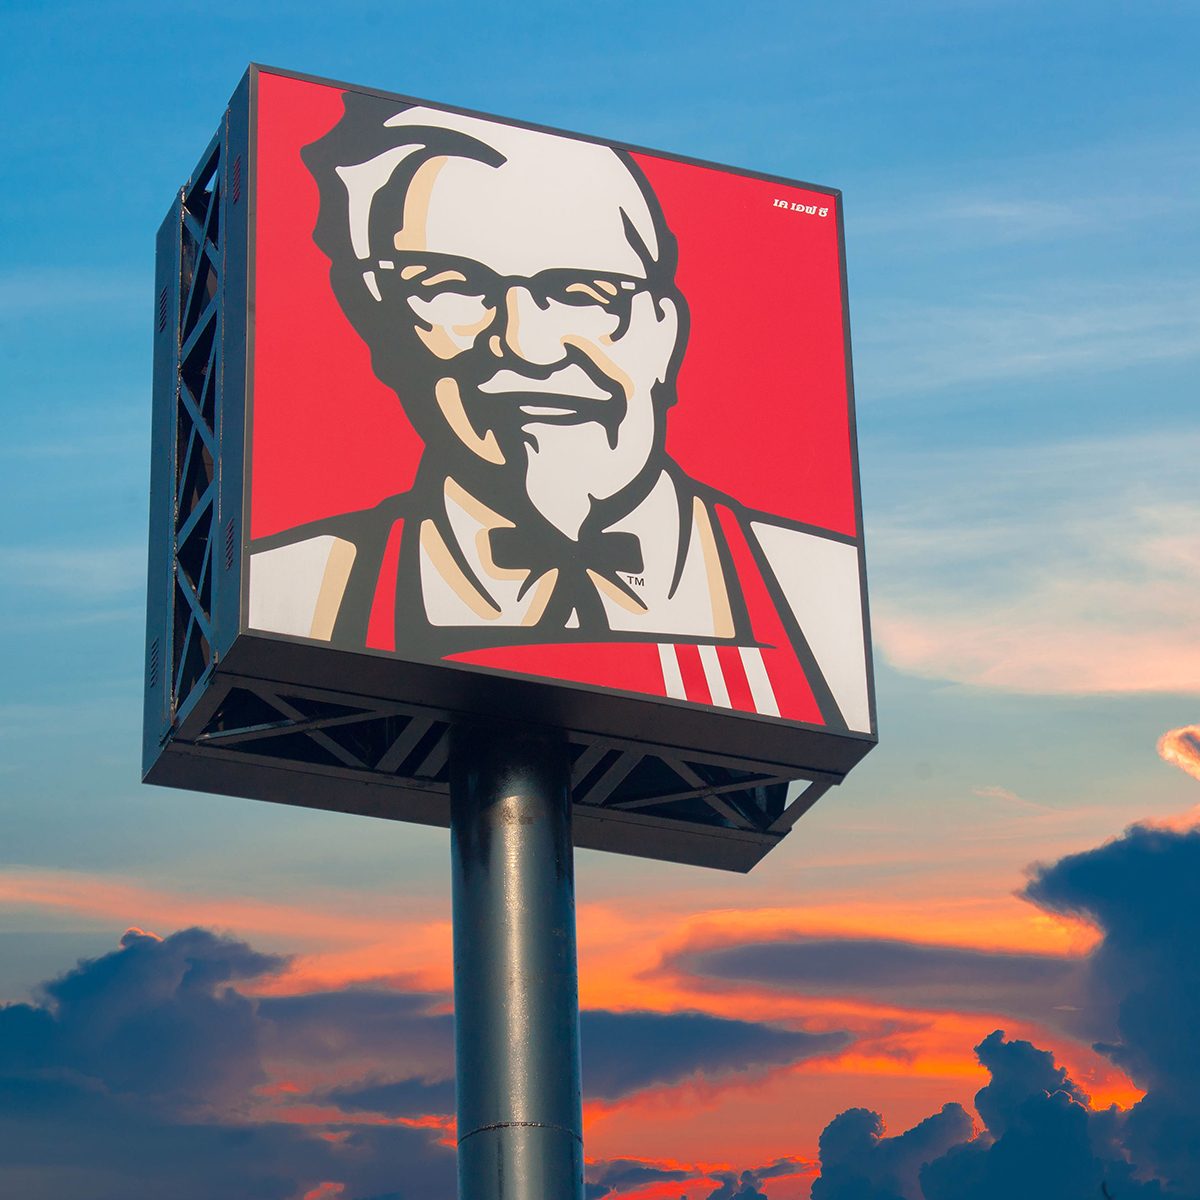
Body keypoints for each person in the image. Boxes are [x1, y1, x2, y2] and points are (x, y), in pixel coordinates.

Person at [248, 93, 870, 733]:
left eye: (582, 293)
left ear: (665, 332)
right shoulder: (294, 593)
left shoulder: (816, 589)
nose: (527, 345)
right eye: (452, 287)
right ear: (385, 329)